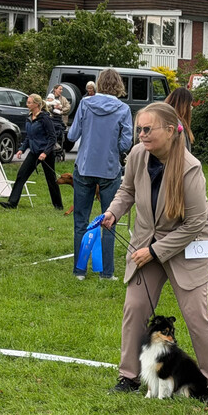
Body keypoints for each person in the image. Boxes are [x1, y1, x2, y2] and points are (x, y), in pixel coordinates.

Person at [102, 103, 208, 406]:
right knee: (135, 308)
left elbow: (196, 222)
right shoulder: (137, 155)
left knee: (196, 317)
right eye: (139, 129)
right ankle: (129, 377)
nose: (141, 134)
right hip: (146, 244)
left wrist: (155, 251)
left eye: (148, 129)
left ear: (171, 131)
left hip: (188, 246)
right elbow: (127, 191)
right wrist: (113, 212)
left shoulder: (190, 168)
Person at [67, 68, 133, 280]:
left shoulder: (85, 104)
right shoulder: (123, 109)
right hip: (109, 170)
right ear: (119, 85)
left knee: (81, 221)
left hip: (84, 168)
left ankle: (79, 271)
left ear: (99, 83)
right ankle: (107, 272)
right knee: (109, 221)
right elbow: (126, 143)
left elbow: (72, 135)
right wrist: (112, 147)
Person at [0, 94, 63, 210]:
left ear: (36, 104)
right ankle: (12, 203)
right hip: (34, 152)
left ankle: (58, 206)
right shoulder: (29, 117)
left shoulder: (45, 118)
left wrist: (45, 152)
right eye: (27, 102)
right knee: (21, 175)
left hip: (46, 153)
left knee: (51, 179)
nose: (27, 104)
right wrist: (21, 149)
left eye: (29, 102)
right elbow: (29, 136)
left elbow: (52, 138)